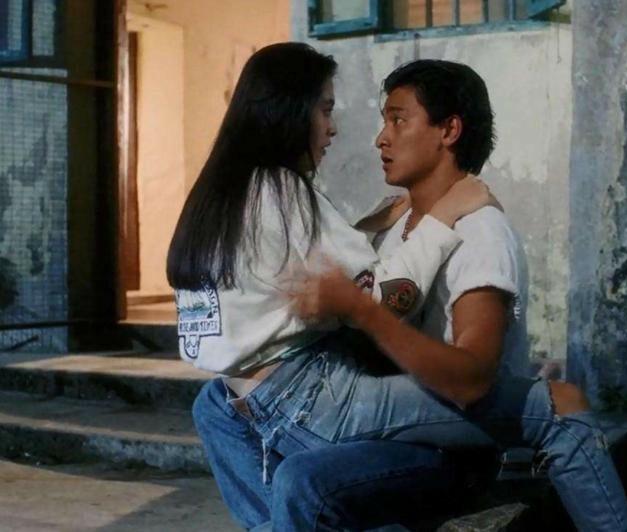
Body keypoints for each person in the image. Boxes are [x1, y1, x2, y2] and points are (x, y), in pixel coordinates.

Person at [170, 44, 627, 532]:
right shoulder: (384, 224)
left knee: (561, 405)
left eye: (397, 120)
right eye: (327, 110)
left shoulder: (479, 230)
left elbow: (470, 379)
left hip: (446, 438)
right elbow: (356, 290)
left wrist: (363, 305)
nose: (377, 138)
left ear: (448, 131)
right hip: (349, 405)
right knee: (219, 409)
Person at [167, 42, 493, 530]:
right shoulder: (282, 189)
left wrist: (357, 231)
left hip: (245, 393)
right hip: (309, 395)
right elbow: (382, 302)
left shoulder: (221, 192)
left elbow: (273, 270)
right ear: (289, 111)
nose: (334, 128)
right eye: (325, 109)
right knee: (511, 412)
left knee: (216, 410)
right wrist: (444, 215)